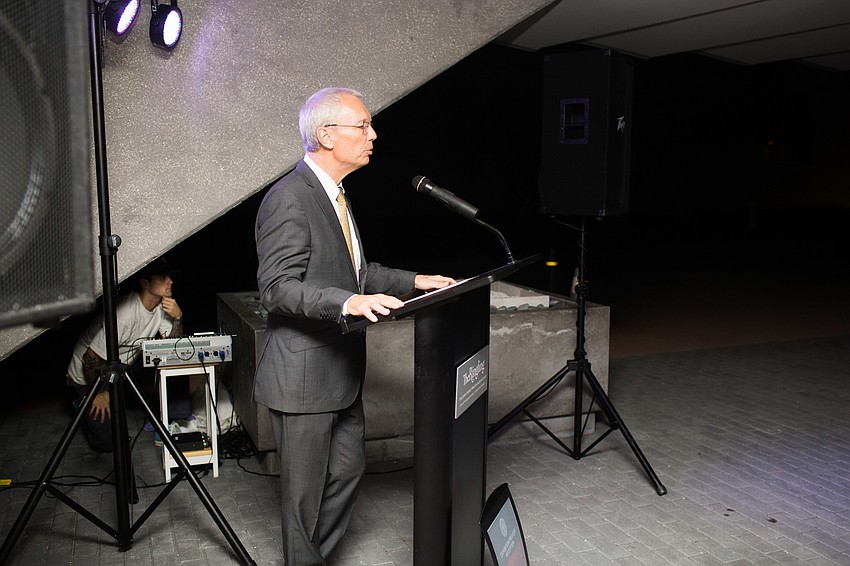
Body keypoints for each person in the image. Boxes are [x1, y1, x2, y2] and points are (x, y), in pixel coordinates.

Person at [254, 87, 454, 564]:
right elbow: (277, 288)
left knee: (347, 470)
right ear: (325, 135)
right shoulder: (288, 199)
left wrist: (417, 280)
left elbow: (358, 273)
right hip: (302, 376)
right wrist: (346, 301)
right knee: (302, 500)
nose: (373, 135)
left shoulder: (337, 196)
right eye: (362, 126)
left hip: (340, 372)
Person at [66, 257, 184, 452]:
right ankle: (83, 402)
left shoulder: (163, 307)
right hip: (89, 374)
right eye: (163, 277)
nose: (170, 281)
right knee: (106, 444)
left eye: (170, 277)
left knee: (120, 437)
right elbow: (89, 358)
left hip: (118, 367)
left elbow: (174, 348)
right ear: (145, 283)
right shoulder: (125, 313)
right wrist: (98, 392)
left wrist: (179, 317)